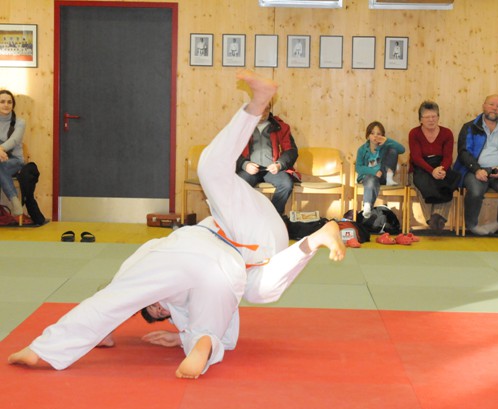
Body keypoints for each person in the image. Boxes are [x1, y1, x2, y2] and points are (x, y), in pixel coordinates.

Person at [8, 70, 347, 379]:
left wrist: (104, 330)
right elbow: (226, 326)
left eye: (151, 307)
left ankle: (257, 104)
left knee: (210, 170)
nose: (158, 307)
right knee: (256, 293)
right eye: (159, 313)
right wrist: (187, 337)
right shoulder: (184, 309)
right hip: (246, 256)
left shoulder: (154, 258)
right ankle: (314, 240)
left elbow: (116, 295)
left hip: (234, 227)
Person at [452, 95, 498, 235]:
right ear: (484, 105)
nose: (494, 108)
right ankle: (472, 225)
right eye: (491, 104)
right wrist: (476, 169)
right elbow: (464, 152)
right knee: (475, 192)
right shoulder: (469, 127)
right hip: (475, 170)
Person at [236, 100, 299, 215]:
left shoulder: (280, 127)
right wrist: (245, 164)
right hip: (249, 170)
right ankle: (246, 217)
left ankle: (272, 216)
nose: (263, 112)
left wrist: (279, 164)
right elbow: (231, 152)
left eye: (266, 108)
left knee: (286, 184)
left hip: (272, 170)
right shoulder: (241, 127)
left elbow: (291, 151)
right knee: (237, 184)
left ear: (270, 109)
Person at [408, 101, 459, 231]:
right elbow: (416, 158)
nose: (431, 120)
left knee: (450, 182)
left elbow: (448, 157)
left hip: (441, 166)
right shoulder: (414, 133)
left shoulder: (447, 133)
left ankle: (438, 216)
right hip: (421, 168)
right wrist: (432, 171)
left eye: (434, 116)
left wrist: (442, 169)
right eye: (427, 117)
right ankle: (430, 219)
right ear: (420, 119)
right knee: (421, 183)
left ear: (438, 117)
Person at [354, 121, 405, 219]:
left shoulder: (385, 146)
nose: (375, 136)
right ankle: (367, 205)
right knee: (371, 179)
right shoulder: (362, 149)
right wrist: (374, 172)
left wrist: (387, 140)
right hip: (368, 177)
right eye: (372, 133)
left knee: (393, 150)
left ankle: (389, 178)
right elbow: (358, 167)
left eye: (378, 134)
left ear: (382, 136)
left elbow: (402, 150)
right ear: (368, 135)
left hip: (383, 176)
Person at [0, 89, 25, 218]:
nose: (6, 105)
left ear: (13, 104)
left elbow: (14, 141)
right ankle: (14, 200)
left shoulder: (20, 122)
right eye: (2, 102)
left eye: (9, 102)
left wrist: (0, 150)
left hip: (15, 161)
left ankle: (14, 200)